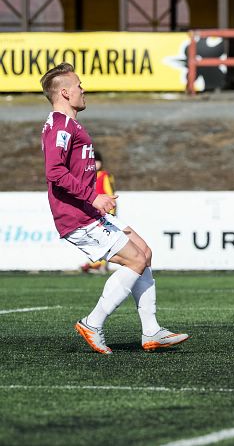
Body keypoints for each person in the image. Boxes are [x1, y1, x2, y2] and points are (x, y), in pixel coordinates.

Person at [40, 63, 188, 354]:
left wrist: (94, 201)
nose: (84, 89)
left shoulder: (68, 124)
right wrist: (93, 197)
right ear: (66, 93)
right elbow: (54, 171)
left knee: (143, 253)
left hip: (88, 211)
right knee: (135, 260)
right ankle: (92, 324)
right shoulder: (60, 126)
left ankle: (151, 332)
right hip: (78, 216)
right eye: (79, 85)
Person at [79, 149, 114, 274]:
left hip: (103, 211)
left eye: (97, 162)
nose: (95, 164)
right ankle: (97, 263)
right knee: (96, 239)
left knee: (106, 239)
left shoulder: (104, 176)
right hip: (92, 211)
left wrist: (110, 210)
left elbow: (109, 193)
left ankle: (101, 265)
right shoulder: (87, 176)